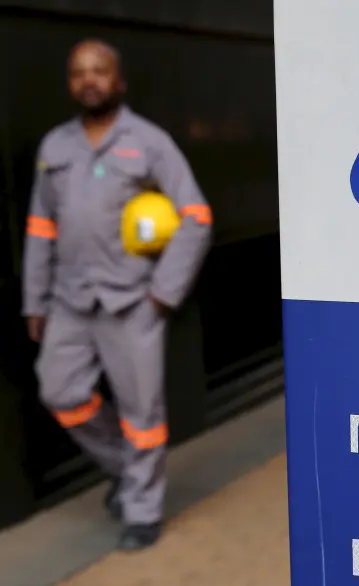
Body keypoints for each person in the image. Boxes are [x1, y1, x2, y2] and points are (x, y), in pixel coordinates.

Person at [22, 39, 212, 550]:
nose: (89, 80)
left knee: (142, 414)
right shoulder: (54, 148)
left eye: (99, 71)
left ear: (118, 80)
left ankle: (143, 511)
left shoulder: (148, 142)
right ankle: (127, 474)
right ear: (70, 83)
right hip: (70, 299)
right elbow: (41, 227)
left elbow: (196, 216)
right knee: (59, 392)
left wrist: (165, 292)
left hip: (133, 301)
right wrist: (34, 300)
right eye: (79, 72)